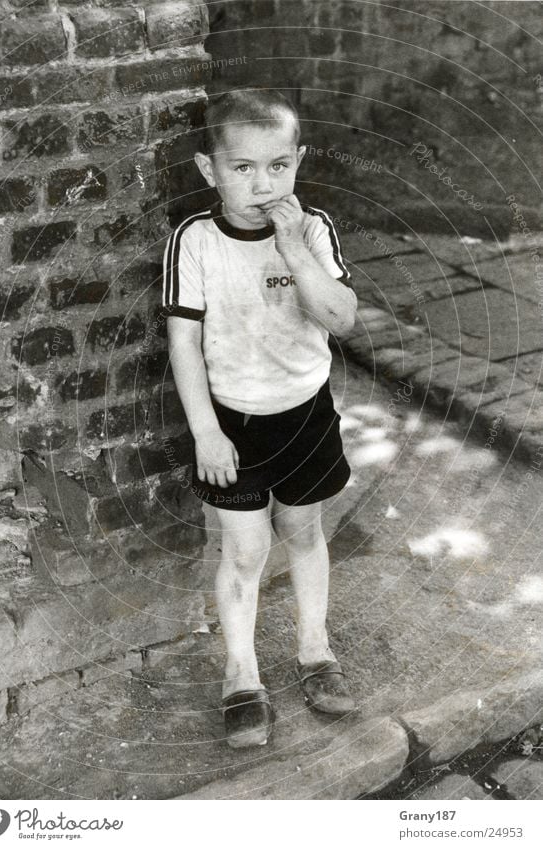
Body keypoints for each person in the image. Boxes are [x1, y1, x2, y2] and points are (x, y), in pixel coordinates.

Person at [162, 88, 358, 748]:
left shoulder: (313, 228)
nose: (262, 182)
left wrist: (295, 249)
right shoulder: (194, 242)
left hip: (303, 413)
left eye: (278, 165)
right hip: (232, 422)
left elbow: (341, 317)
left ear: (298, 162)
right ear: (207, 169)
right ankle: (241, 673)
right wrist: (205, 430)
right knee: (245, 548)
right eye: (242, 168)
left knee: (303, 528)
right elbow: (184, 342)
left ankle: (315, 650)